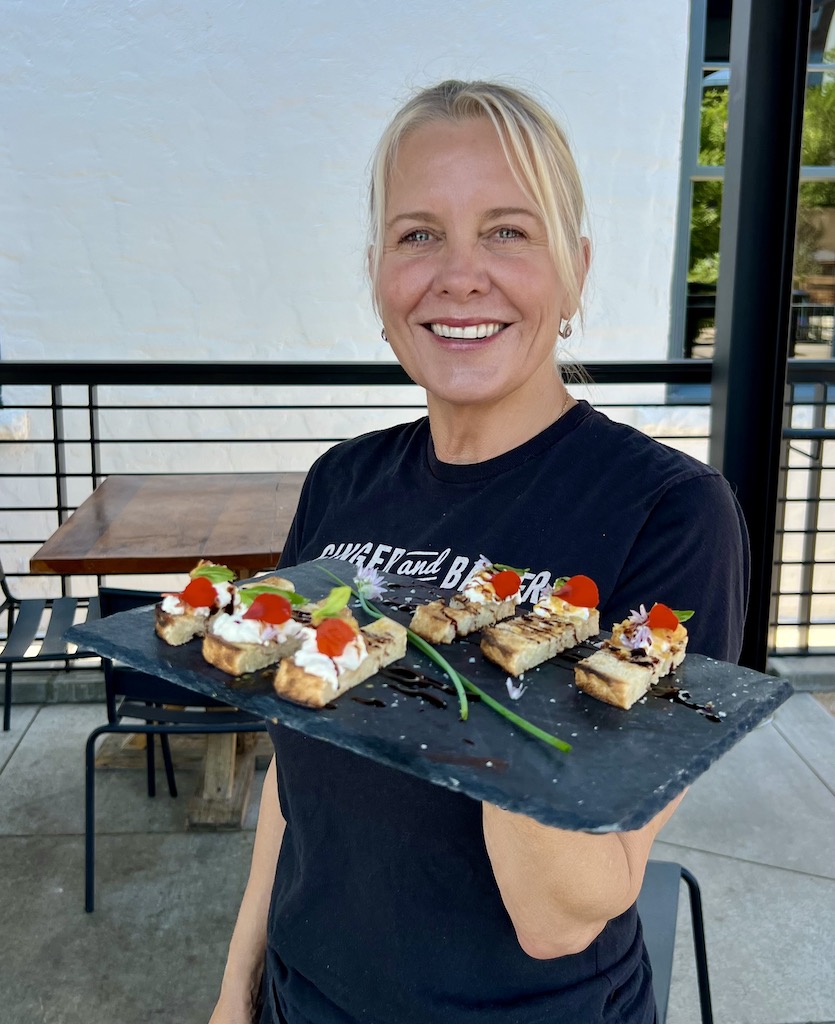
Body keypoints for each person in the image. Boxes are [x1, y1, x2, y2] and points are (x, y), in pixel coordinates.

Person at [209, 80, 748, 1024]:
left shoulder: (669, 513)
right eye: (418, 234)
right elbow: (292, 784)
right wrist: (234, 991)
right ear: (377, 273)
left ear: (573, 272)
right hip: (302, 1000)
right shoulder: (340, 481)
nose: (459, 276)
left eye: (507, 231)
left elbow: (558, 919)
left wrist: (507, 652)